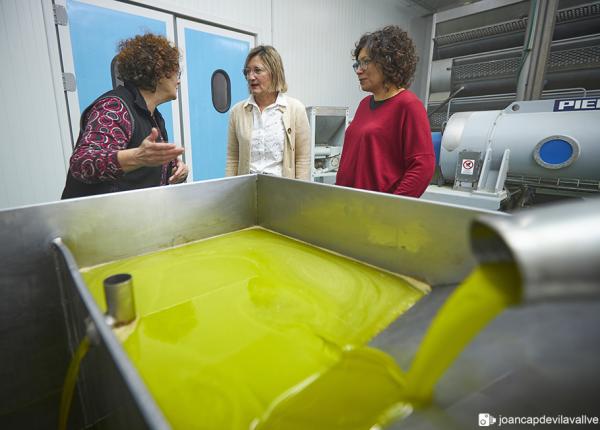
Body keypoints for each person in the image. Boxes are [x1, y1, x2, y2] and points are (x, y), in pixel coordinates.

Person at [61, 33, 188, 199]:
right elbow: (82, 163)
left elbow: (146, 163)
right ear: (158, 71)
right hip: (94, 221)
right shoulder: (115, 107)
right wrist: (137, 157)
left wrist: (176, 169)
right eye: (176, 73)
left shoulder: (154, 116)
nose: (178, 81)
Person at [336, 26, 435, 197]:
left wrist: (391, 208)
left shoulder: (409, 105)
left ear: (387, 61)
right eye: (357, 64)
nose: (359, 70)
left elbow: (422, 166)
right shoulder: (364, 105)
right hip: (348, 204)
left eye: (365, 62)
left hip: (376, 211)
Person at [226, 45, 310, 180]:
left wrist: (300, 196)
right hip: (246, 189)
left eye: (257, 71)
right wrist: (228, 190)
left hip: (281, 191)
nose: (250, 77)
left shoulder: (295, 109)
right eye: (247, 72)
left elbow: (302, 160)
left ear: (274, 72)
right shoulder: (237, 112)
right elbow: (232, 159)